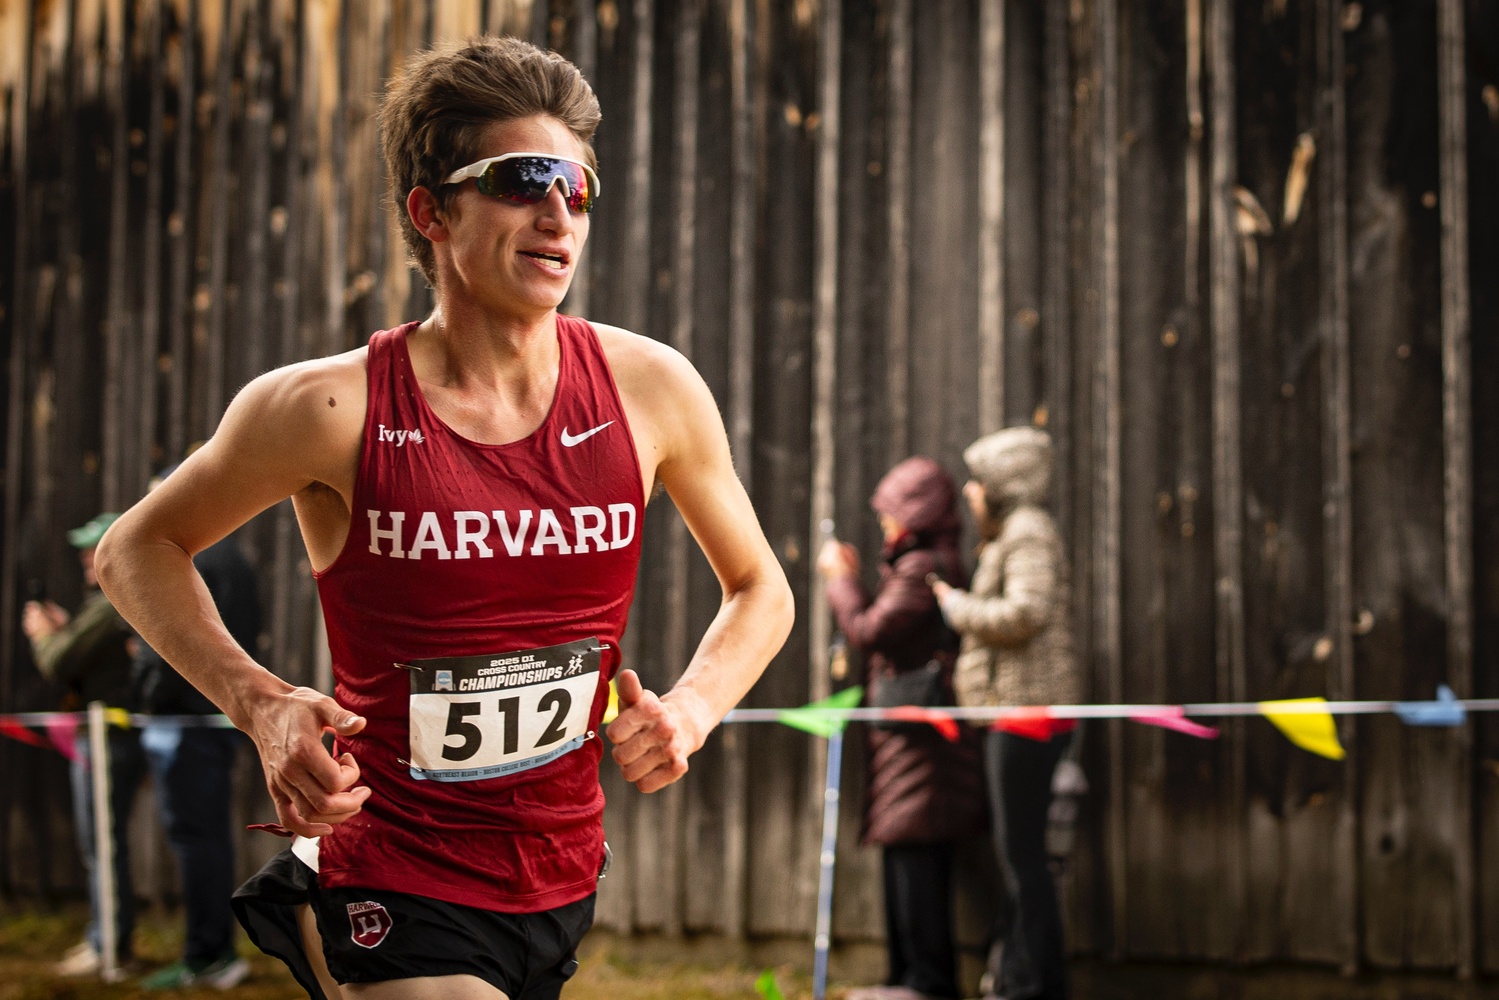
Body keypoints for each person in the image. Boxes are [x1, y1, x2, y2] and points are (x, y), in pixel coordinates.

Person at [96, 34, 793, 1000]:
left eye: (577, 187)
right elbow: (136, 548)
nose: (558, 213)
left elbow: (760, 588)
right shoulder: (327, 408)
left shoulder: (651, 389)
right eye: (521, 180)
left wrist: (692, 708)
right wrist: (259, 703)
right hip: (392, 866)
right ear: (430, 211)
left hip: (559, 870)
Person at [817, 457, 988, 1000]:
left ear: (915, 515)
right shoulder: (918, 564)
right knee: (903, 847)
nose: (885, 524)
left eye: (891, 514)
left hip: (926, 741)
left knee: (918, 850)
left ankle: (927, 983)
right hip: (910, 735)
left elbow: (869, 630)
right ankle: (904, 979)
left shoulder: (922, 568)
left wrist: (840, 580)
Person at [929, 427, 1079, 1000]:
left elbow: (1025, 612)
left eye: (978, 482)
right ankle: (1024, 977)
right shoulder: (1015, 533)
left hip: (1027, 716)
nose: (970, 492)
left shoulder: (1027, 532)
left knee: (1023, 858)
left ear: (1003, 486)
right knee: (1022, 856)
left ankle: (1035, 984)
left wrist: (956, 606)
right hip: (1014, 714)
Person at [132, 464, 259, 990]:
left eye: (156, 501)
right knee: (207, 836)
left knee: (196, 838)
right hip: (212, 716)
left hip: (185, 719)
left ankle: (209, 956)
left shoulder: (190, 558)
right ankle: (211, 951)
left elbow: (169, 643)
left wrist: (149, 695)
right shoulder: (234, 558)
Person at [22, 512, 146, 976]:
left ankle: (111, 946)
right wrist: (63, 630)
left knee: (103, 845)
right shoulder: (107, 602)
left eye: (94, 547)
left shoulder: (113, 601)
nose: (84, 557)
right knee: (100, 845)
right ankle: (104, 938)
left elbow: (60, 661)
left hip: (107, 740)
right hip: (103, 737)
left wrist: (43, 636)